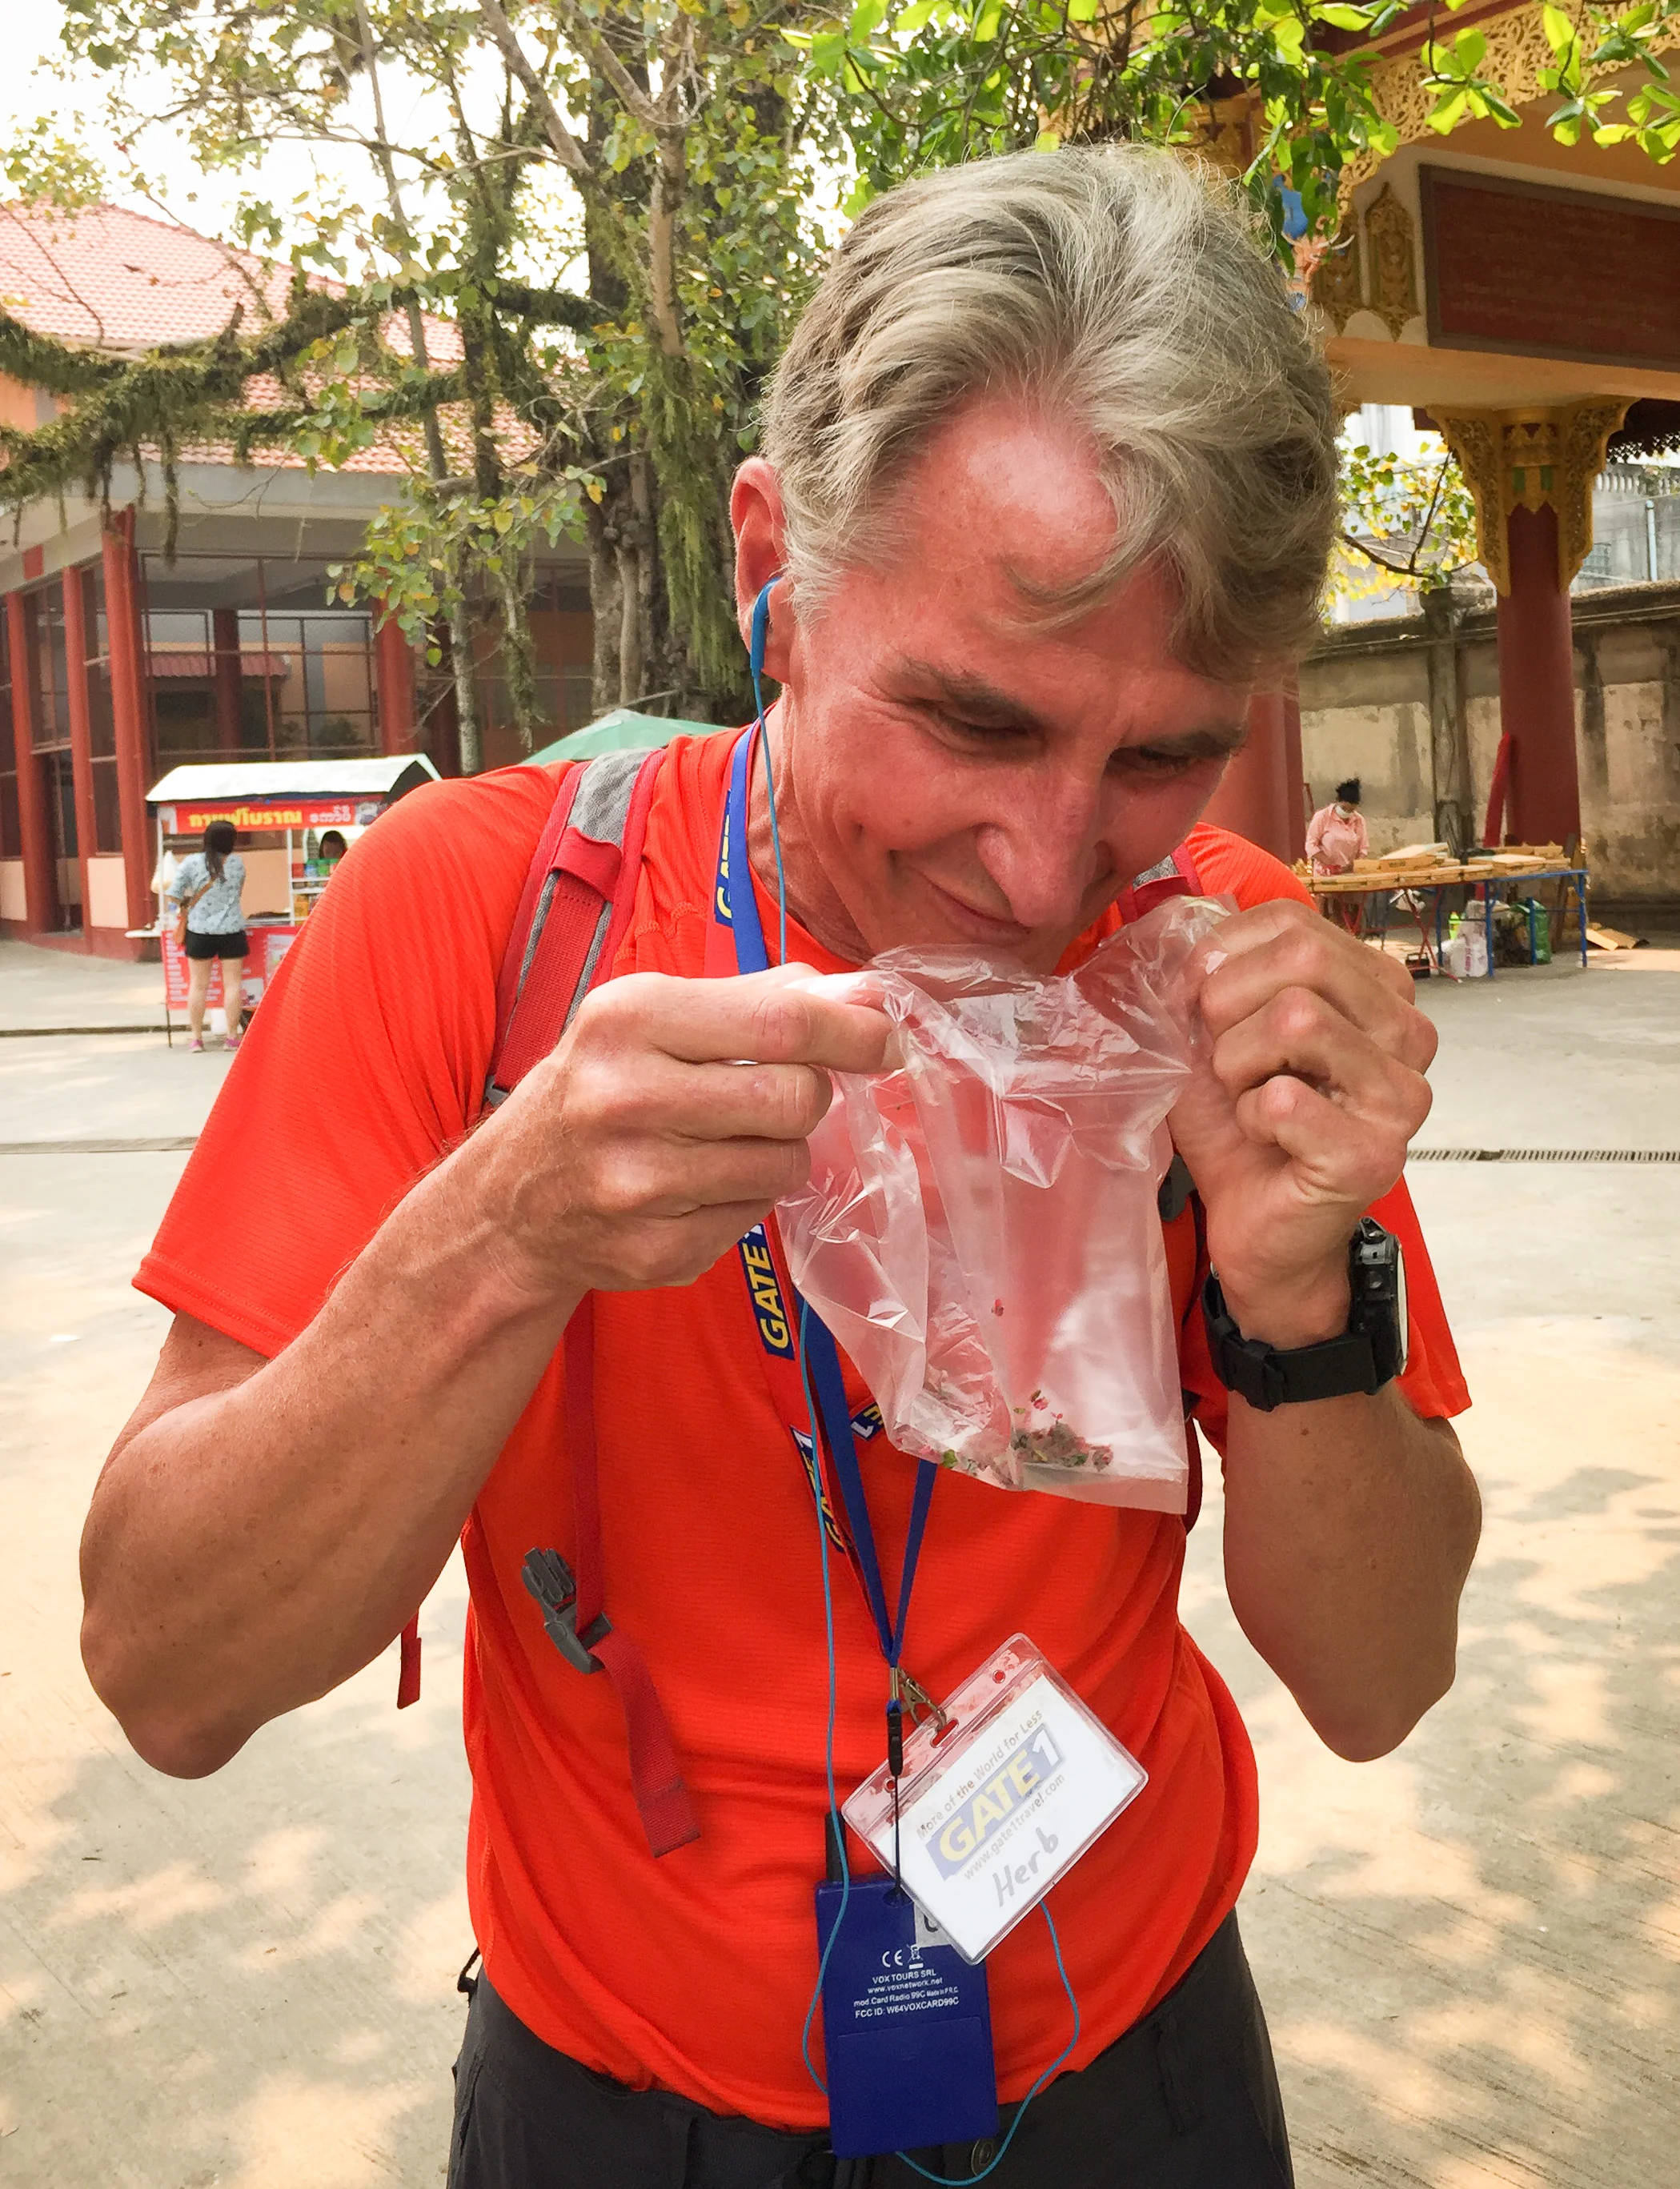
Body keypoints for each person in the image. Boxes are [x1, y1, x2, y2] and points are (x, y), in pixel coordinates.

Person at [81, 147, 1478, 2189]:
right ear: (774, 562)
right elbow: (166, 1668)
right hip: (613, 2096)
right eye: (967, 717)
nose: (1039, 862)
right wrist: (500, 1229)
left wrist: (1294, 1303)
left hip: (1131, 2067)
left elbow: (1378, 1680)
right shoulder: (479, 919)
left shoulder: (1214, 961)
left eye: (1157, 752)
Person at [168, 819, 248, 1053]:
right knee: (232, 985)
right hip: (231, 930)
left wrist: (187, 904)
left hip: (199, 931)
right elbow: (238, 892)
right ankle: (232, 1038)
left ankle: (196, 1039)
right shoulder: (237, 864)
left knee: (198, 985)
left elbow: (173, 895)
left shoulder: (191, 863)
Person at [1306, 778, 1369, 875]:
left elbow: (1364, 849)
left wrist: (1355, 864)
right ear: (1338, 801)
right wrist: (1328, 863)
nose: (1346, 813)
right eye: (1344, 808)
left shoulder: (1359, 820)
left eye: (1350, 810)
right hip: (1325, 873)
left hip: (1350, 874)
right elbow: (1310, 845)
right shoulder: (1322, 817)